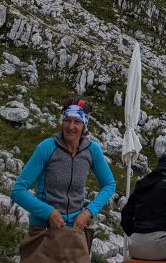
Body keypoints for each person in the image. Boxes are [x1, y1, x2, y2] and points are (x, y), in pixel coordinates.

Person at [11, 96, 116, 254]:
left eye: (77, 122)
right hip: (43, 231)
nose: (71, 126)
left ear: (84, 125)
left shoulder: (92, 150)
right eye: (67, 120)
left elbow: (109, 184)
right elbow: (17, 190)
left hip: (75, 231)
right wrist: (49, 212)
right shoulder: (47, 147)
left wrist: (88, 212)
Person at [121, 151, 166, 260]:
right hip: (161, 245)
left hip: (134, 245)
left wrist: (136, 234)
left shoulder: (142, 184)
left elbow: (125, 216)